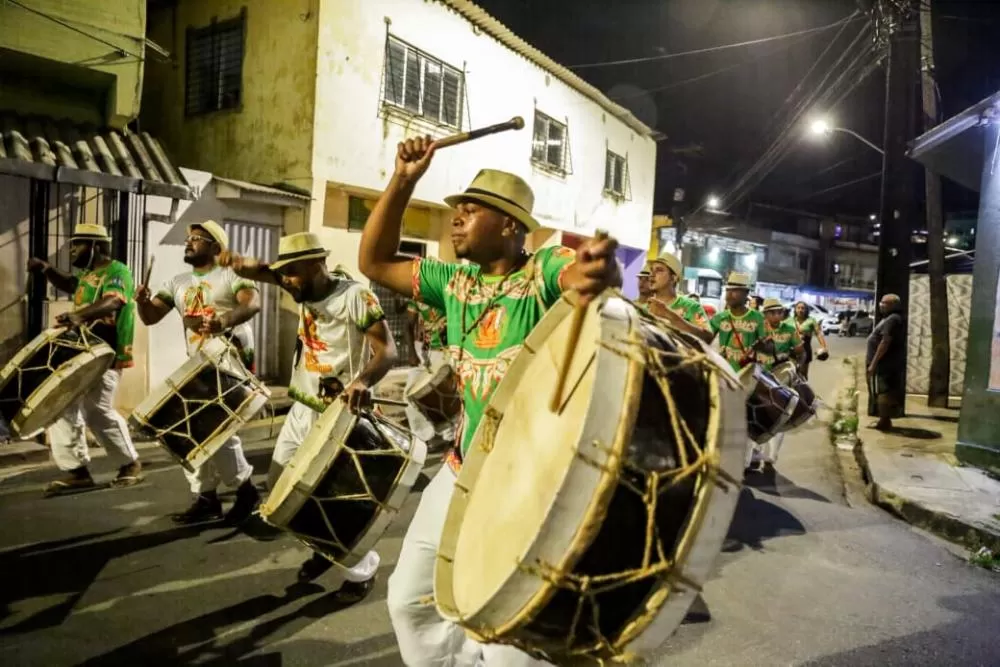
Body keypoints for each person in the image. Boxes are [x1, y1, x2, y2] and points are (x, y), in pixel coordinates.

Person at [358, 136, 621, 667]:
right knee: (410, 603)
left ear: (510, 226)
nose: (456, 219)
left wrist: (597, 271)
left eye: (471, 211)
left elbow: (581, 277)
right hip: (461, 470)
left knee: (509, 645)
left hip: (529, 485)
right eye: (456, 211)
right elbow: (374, 259)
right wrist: (404, 179)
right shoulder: (452, 283)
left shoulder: (542, 273)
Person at [221, 231, 396, 600]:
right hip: (303, 405)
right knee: (283, 487)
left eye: (293, 273)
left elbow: (387, 351)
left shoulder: (355, 297)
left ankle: (361, 570)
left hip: (339, 413)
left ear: (317, 264)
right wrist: (237, 261)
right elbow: (264, 270)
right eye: (284, 275)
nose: (287, 281)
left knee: (330, 497)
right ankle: (323, 547)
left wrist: (363, 381)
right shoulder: (299, 284)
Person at [135, 220, 262, 524]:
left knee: (216, 429)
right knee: (194, 433)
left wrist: (223, 321)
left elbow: (252, 304)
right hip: (198, 364)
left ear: (215, 248)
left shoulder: (232, 275)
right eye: (188, 238)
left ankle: (245, 491)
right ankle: (207, 497)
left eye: (197, 239)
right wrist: (141, 302)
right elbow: (151, 317)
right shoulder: (176, 282)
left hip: (230, 361)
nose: (188, 243)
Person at [27, 224, 142, 495]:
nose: (72, 250)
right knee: (61, 405)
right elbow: (71, 283)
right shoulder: (90, 274)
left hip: (106, 353)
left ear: (95, 246)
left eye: (78, 245)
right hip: (84, 353)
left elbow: (115, 301)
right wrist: (46, 269)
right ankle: (76, 471)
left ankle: (130, 464)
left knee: (97, 411)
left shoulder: (118, 271)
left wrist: (80, 316)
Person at [748, 298, 805, 471]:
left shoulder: (789, 329)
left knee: (778, 417)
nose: (777, 315)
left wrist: (796, 365)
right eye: (773, 312)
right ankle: (754, 455)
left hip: (780, 378)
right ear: (765, 314)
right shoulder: (758, 328)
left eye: (780, 312)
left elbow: (801, 352)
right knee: (755, 415)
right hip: (759, 377)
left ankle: (772, 457)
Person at [643, 252, 712, 343]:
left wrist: (669, 315)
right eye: (651, 270)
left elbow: (707, 337)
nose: (652, 274)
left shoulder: (691, 306)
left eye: (659, 270)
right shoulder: (643, 309)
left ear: (673, 278)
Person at [708, 272, 767, 373]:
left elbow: (769, 347)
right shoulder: (719, 317)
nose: (729, 294)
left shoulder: (758, 317)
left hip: (747, 374)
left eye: (735, 290)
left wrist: (761, 345)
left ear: (746, 293)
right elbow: (704, 338)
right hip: (725, 373)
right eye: (728, 290)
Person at [866, 293, 905, 431]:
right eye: (881, 302)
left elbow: (885, 342)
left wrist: (873, 363)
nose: (881, 305)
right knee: (881, 392)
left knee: (883, 393)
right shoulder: (888, 318)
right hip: (884, 364)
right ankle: (883, 420)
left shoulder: (892, 319)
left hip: (884, 365)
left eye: (885, 303)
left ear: (893, 305)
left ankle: (884, 421)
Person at [789, 301, 829, 379]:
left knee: (803, 375)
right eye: (798, 308)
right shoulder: (790, 321)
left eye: (803, 308)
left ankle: (803, 390)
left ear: (806, 310)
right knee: (791, 374)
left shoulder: (811, 320)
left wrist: (823, 346)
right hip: (791, 351)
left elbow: (819, 333)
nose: (800, 310)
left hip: (805, 350)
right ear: (795, 309)